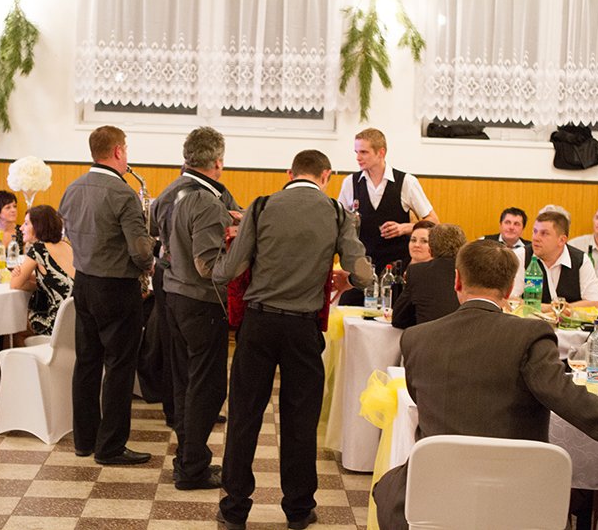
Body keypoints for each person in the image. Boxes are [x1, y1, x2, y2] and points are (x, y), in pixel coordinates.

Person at [372, 239, 598, 530]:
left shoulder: (416, 338)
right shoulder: (529, 335)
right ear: (511, 287)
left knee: (388, 486)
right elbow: (577, 406)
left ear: (458, 280)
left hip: (437, 495)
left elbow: (419, 397)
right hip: (516, 499)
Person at [213, 149, 371, 530]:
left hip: (258, 323)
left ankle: (234, 508)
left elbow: (230, 269)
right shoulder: (337, 213)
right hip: (302, 328)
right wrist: (347, 279)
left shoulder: (261, 206)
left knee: (244, 416)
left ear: (290, 173)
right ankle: (299, 510)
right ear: (326, 176)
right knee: (300, 421)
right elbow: (364, 274)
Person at [58, 125, 154, 466]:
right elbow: (140, 251)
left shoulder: (72, 188)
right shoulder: (123, 194)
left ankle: (84, 440)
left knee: (87, 362)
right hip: (116, 287)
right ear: (117, 152)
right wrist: (153, 254)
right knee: (119, 366)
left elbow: (70, 235)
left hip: (83, 283)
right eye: (125, 149)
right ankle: (111, 446)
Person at [155, 126, 233, 490]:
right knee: (208, 388)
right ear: (217, 162)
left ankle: (188, 460)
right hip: (201, 301)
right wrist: (238, 259)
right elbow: (207, 265)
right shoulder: (206, 201)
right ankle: (192, 467)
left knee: (185, 383)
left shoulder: (170, 192)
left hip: (173, 295)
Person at [337, 128, 438, 305]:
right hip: (361, 267)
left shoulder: (406, 182)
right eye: (356, 152)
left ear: (381, 152)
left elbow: (433, 222)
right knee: (348, 308)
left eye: (364, 152)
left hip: (396, 269)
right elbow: (339, 224)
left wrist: (404, 228)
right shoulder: (350, 183)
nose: (358, 157)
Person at [511, 211, 598, 308]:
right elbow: (510, 299)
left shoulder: (580, 260)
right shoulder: (521, 256)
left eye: (544, 233)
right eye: (535, 231)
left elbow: (597, 303)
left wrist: (566, 309)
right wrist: (550, 309)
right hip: (529, 318)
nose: (536, 238)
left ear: (561, 240)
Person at [10, 205, 75, 335]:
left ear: (38, 227)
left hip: (58, 324)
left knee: (15, 326)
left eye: (26, 223)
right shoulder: (66, 245)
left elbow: (15, 284)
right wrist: (32, 280)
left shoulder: (39, 249)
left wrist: (18, 275)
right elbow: (54, 278)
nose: (21, 228)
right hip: (77, 321)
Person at [392, 223, 465, 329]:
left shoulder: (417, 272)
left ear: (430, 250)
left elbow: (398, 319)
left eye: (424, 241)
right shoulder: (471, 272)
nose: (417, 245)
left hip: (427, 336)